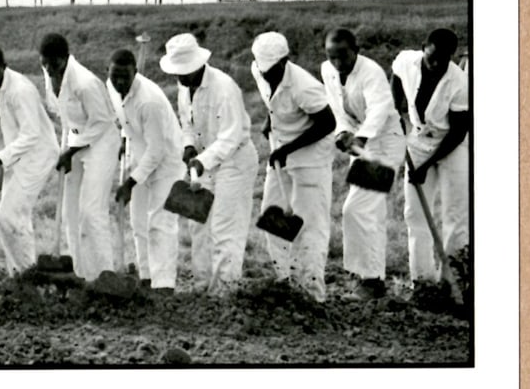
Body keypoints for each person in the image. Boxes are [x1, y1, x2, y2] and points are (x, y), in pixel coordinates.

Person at [159, 33, 258, 295]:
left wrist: (201, 161)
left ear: (197, 64)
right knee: (199, 226)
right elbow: (187, 124)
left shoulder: (224, 88)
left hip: (234, 161)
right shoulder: (184, 88)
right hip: (203, 162)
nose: (179, 77)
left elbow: (230, 137)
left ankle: (224, 293)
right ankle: (202, 288)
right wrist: (188, 145)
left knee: (225, 228)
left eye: (184, 71)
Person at [250, 32, 337, 302]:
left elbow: (328, 123)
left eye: (271, 70)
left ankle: (311, 293)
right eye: (263, 70)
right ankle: (285, 282)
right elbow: (272, 101)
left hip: (311, 157)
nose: (266, 75)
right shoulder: (259, 70)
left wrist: (287, 149)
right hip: (282, 152)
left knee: (310, 224)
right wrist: (270, 121)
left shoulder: (304, 86)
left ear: (284, 61)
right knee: (272, 215)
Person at [321, 28, 404, 299]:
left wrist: (361, 137)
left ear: (356, 50)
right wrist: (342, 132)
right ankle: (367, 278)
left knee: (358, 209)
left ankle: (371, 280)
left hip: (384, 143)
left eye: (343, 56)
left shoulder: (371, 72)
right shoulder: (327, 70)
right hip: (361, 144)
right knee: (364, 211)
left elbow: (380, 109)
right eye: (331, 56)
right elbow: (336, 107)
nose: (337, 63)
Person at [39, 33, 121, 281]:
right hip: (75, 139)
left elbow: (102, 122)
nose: (49, 69)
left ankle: (105, 275)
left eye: (53, 63)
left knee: (91, 211)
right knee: (70, 213)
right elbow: (63, 116)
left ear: (65, 58)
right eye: (45, 63)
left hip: (101, 142)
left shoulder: (85, 83)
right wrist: (66, 147)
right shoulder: (50, 75)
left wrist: (71, 151)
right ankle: (81, 274)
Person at [390, 28, 469, 285]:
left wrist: (427, 165)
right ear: (424, 47)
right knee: (415, 214)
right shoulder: (407, 60)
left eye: (442, 61)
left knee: (455, 214)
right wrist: (395, 110)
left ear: (451, 57)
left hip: (452, 146)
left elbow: (458, 132)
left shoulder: (460, 82)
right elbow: (396, 73)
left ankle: (453, 281)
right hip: (418, 141)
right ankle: (422, 282)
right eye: (430, 58)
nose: (435, 65)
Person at [0, 45, 60, 273]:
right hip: (11, 156)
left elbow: (31, 134)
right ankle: (19, 275)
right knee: (14, 218)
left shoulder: (21, 90)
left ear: (4, 67)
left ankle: (27, 275)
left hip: (37, 155)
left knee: (9, 216)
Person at [107, 48, 185, 291]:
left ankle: (164, 286)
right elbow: (125, 117)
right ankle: (146, 277)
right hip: (140, 156)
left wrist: (130, 183)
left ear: (135, 72)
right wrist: (123, 138)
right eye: (115, 75)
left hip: (167, 162)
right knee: (138, 222)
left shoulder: (149, 101)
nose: (120, 82)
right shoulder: (111, 87)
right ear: (108, 72)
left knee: (160, 223)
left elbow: (157, 151)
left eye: (125, 76)